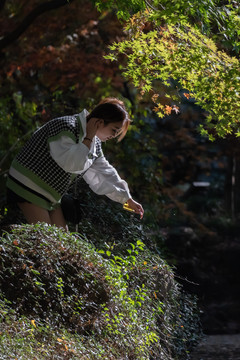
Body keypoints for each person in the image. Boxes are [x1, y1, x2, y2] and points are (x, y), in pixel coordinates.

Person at [6, 97, 144, 230]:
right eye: (114, 130)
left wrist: (127, 199)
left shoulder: (94, 143)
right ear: (100, 122)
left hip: (49, 195)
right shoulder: (68, 126)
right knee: (47, 240)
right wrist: (88, 137)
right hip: (28, 184)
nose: (114, 136)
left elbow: (105, 172)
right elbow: (71, 164)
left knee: (62, 242)